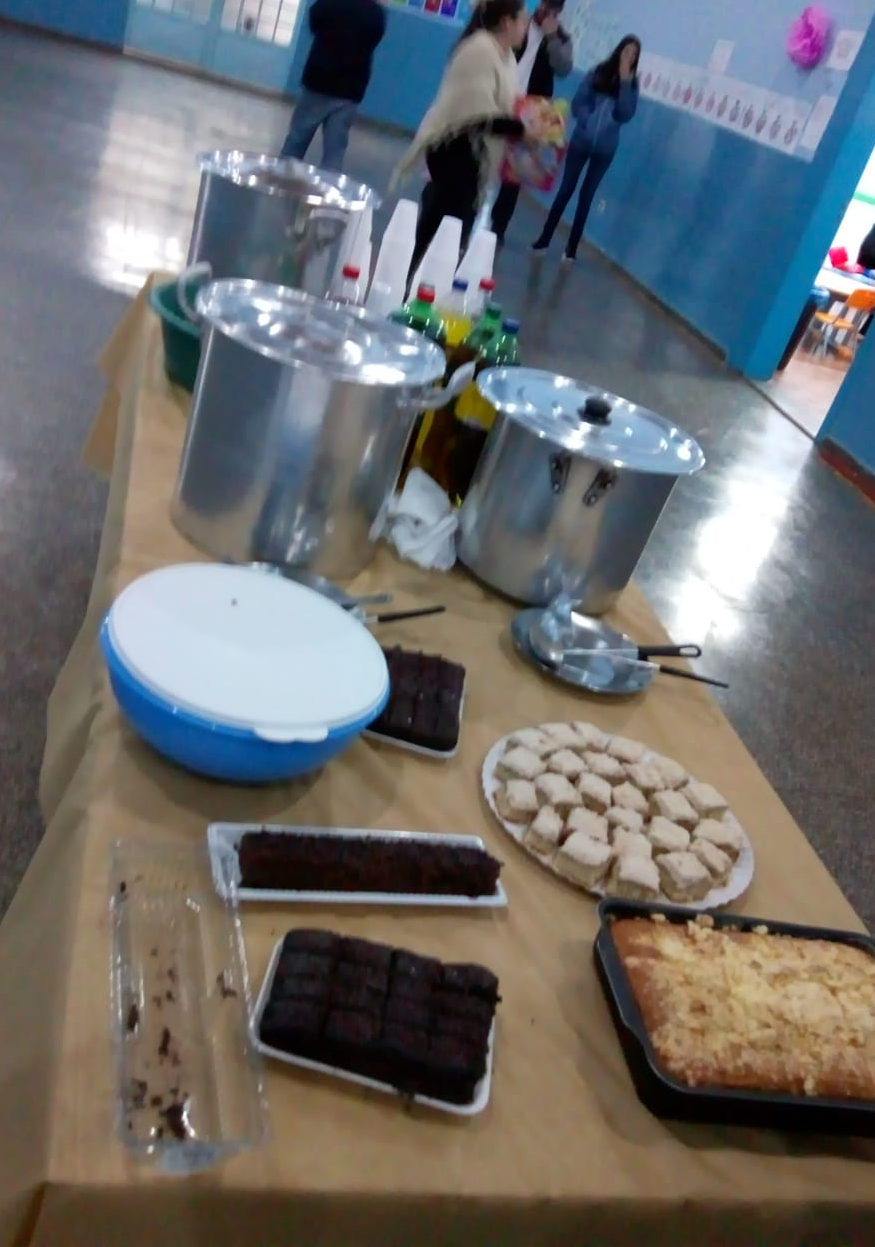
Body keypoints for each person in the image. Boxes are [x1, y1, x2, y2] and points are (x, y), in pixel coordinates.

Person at [394, 0, 546, 276]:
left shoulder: (507, 58)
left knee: (449, 233)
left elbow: (505, 107)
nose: (526, 26)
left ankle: (422, 281)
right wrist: (521, 130)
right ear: (506, 22)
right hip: (453, 154)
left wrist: (529, 125)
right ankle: (408, 282)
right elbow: (478, 114)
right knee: (438, 231)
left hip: (475, 160)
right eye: (522, 19)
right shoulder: (480, 50)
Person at [532, 34, 640, 263]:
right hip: (581, 142)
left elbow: (625, 114)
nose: (629, 57)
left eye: (634, 55)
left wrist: (624, 82)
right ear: (619, 50)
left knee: (587, 196)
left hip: (605, 150)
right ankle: (545, 237)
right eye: (627, 51)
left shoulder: (631, 84)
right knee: (566, 189)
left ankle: (571, 249)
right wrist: (587, 120)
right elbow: (577, 103)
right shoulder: (598, 72)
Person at [489, 0, 573, 246]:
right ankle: (466, 214)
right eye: (546, 6)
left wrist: (552, 37)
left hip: (532, 110)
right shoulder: (520, 23)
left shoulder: (562, 38)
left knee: (514, 172)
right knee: (487, 155)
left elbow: (564, 68)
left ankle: (498, 228)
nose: (548, 13)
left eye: (554, 11)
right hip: (503, 99)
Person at [279, 0, 386, 173]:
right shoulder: (376, 13)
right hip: (351, 89)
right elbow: (374, 40)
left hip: (318, 82)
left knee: (297, 140)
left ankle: (281, 178)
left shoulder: (330, 2)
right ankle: (329, 185)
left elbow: (314, 22)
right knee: (334, 152)